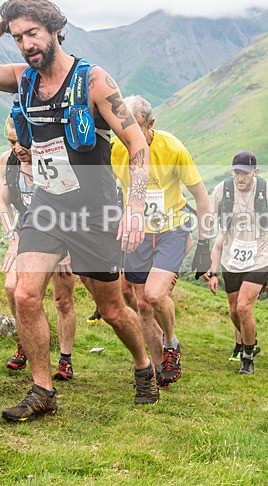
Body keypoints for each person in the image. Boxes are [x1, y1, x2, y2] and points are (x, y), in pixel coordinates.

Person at [0, 0, 158, 422]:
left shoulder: (93, 80)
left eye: (32, 33)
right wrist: (2, 18)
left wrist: (135, 206)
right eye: (17, 37)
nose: (26, 44)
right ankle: (43, 389)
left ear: (53, 30)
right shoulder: (22, 79)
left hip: (95, 210)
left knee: (111, 308)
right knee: (26, 295)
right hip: (47, 206)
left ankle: (143, 365)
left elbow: (137, 144)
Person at [111, 95, 210, 387]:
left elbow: (201, 196)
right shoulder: (117, 148)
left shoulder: (172, 148)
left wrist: (204, 246)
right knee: (141, 305)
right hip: (140, 232)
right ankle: (157, 371)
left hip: (173, 229)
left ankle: (171, 344)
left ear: (150, 124)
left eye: (135, 126)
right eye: (122, 126)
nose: (127, 133)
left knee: (154, 295)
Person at [0, 116, 77, 381]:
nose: (18, 149)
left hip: (61, 230)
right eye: (11, 143)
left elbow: (71, 203)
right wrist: (13, 239)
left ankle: (65, 359)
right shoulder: (7, 162)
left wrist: (67, 248)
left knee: (63, 299)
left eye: (22, 142)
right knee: (13, 288)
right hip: (27, 232)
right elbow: (3, 204)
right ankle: (26, 341)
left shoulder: (52, 160)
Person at [203, 151, 268, 375]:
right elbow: (209, 222)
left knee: (244, 306)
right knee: (234, 311)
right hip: (231, 258)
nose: (240, 177)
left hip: (260, 256)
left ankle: (247, 357)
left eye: (244, 173)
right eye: (236, 172)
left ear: (255, 171)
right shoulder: (222, 191)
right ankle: (250, 339)